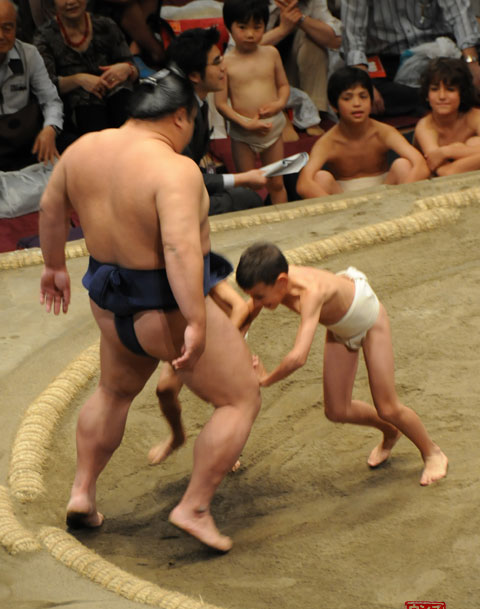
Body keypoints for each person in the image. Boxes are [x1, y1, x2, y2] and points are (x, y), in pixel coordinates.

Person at [38, 69, 261, 552]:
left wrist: (54, 267)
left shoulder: (82, 151)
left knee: (114, 391)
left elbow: (51, 208)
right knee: (239, 398)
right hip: (166, 307)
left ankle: (82, 492)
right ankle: (195, 506)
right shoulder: (173, 169)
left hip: (110, 300)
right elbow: (181, 251)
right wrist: (198, 322)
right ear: (181, 116)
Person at [235, 242, 448, 486]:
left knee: (388, 407)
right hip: (341, 327)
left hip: (369, 321)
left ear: (282, 281)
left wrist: (265, 378)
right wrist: (233, 337)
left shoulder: (311, 293)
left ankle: (432, 452)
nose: (256, 301)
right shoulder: (272, 282)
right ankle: (391, 431)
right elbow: (247, 311)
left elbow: (298, 357)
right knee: (337, 410)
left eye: (259, 296)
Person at [149, 273, 253, 467]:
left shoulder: (203, 270)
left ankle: (230, 449)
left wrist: (220, 344)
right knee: (165, 389)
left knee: (223, 401)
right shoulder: (159, 275)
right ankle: (177, 436)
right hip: (190, 338)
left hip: (225, 335)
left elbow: (240, 307)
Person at [166, 26, 267, 216]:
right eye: (216, 62)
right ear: (194, 76)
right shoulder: (177, 115)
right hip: (174, 201)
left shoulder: (198, 102)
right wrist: (241, 178)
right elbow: (186, 179)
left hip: (191, 188)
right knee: (245, 198)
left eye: (221, 59)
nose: (224, 68)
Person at [296, 67, 429, 197]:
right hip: (343, 199)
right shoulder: (328, 142)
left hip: (387, 193)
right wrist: (341, 208)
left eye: (363, 96)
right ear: (334, 106)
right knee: (320, 178)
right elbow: (304, 184)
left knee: (403, 165)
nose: (357, 103)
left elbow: (420, 164)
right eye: (347, 98)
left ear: (371, 101)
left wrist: (400, 195)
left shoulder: (384, 131)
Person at [341, 0, 480, 117]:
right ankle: (453, 94)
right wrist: (364, 84)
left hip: (439, 51)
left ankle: (439, 95)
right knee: (361, 92)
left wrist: (472, 62)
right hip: (387, 58)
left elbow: (460, 15)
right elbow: (353, 40)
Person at [215, 0, 289, 205]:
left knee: (276, 183)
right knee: (248, 184)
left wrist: (279, 103)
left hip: (271, 128)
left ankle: (284, 223)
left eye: (257, 27)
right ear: (229, 27)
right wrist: (246, 123)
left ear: (266, 25)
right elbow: (221, 104)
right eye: (242, 27)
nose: (250, 34)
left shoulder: (271, 54)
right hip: (243, 132)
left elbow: (283, 86)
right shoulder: (225, 63)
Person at [34, 0, 138, 139]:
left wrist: (127, 69)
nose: (70, 2)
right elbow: (45, 86)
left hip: (116, 91)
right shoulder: (44, 36)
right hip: (78, 104)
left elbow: (132, 67)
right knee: (93, 120)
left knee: (125, 108)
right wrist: (79, 79)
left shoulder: (106, 24)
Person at [0, 0, 63, 171]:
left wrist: (50, 128)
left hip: (24, 140)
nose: (1, 36)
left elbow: (51, 100)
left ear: (16, 29)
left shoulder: (29, 54)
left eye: (7, 28)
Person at [262, 0, 342, 114]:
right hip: (258, 75)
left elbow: (336, 40)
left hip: (293, 73)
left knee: (312, 38)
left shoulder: (312, 2)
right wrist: (281, 30)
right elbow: (237, 49)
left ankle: (314, 111)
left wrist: (300, 18)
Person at [414, 56, 480, 176]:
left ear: (462, 93)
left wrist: (448, 151)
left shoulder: (475, 116)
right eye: (434, 89)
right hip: (435, 184)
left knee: (475, 142)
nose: (442, 96)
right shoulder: (425, 126)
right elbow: (445, 172)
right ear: (427, 95)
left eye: (450, 89)